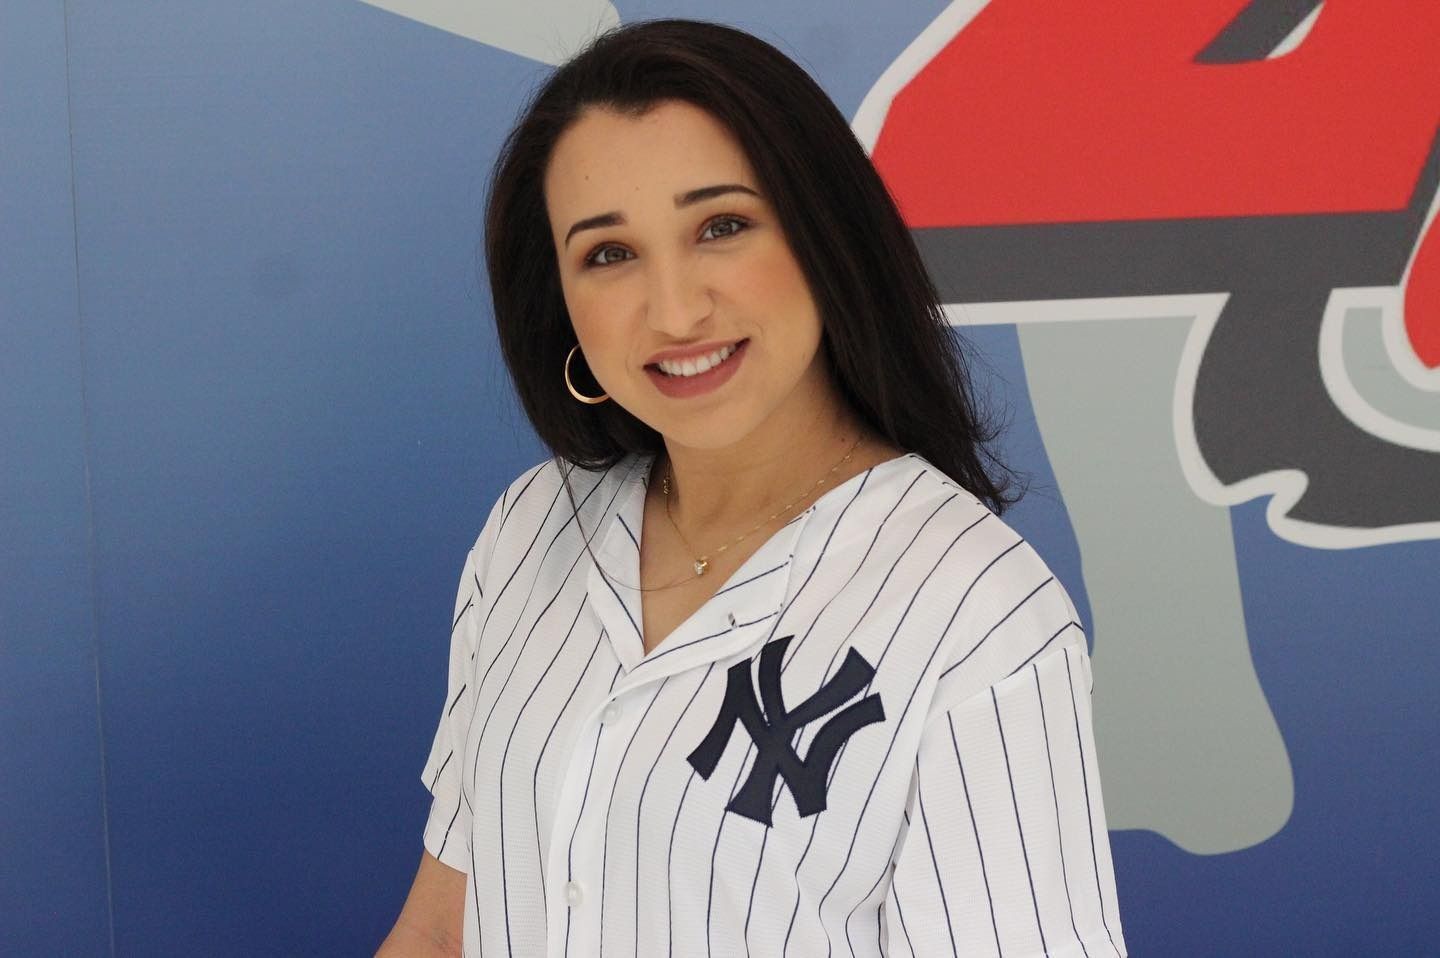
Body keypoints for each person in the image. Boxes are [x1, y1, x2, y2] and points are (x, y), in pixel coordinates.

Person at [378, 18, 1126, 958]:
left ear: (823, 238)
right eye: (609, 254)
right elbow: (442, 928)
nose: (677, 309)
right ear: (558, 299)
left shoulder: (976, 615)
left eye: (722, 227)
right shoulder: (531, 527)